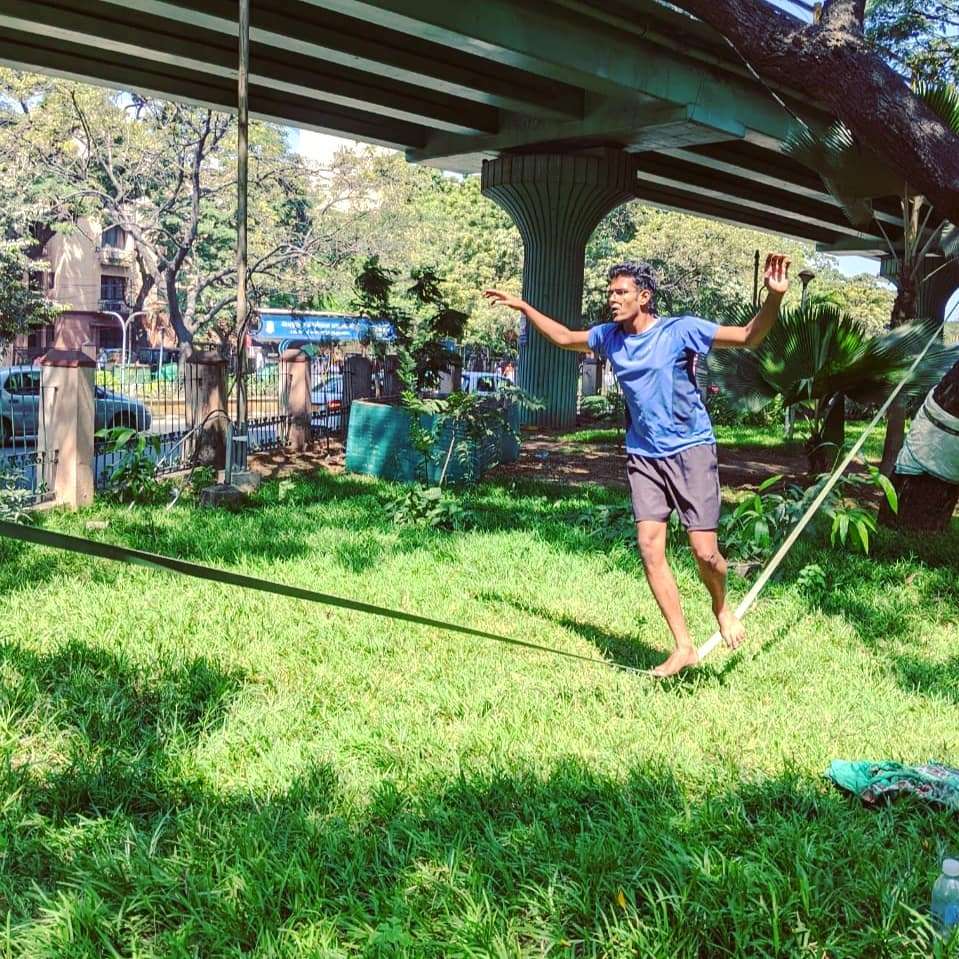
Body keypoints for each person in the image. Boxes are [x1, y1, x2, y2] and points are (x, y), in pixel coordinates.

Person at [484, 254, 790, 676]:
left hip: (691, 450)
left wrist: (774, 298)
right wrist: (523, 306)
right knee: (649, 546)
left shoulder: (680, 330)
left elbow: (749, 337)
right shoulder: (609, 337)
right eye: (610, 292)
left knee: (705, 554)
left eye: (621, 292)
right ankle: (683, 645)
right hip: (644, 454)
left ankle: (721, 607)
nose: (612, 299)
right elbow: (564, 337)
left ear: (644, 297)